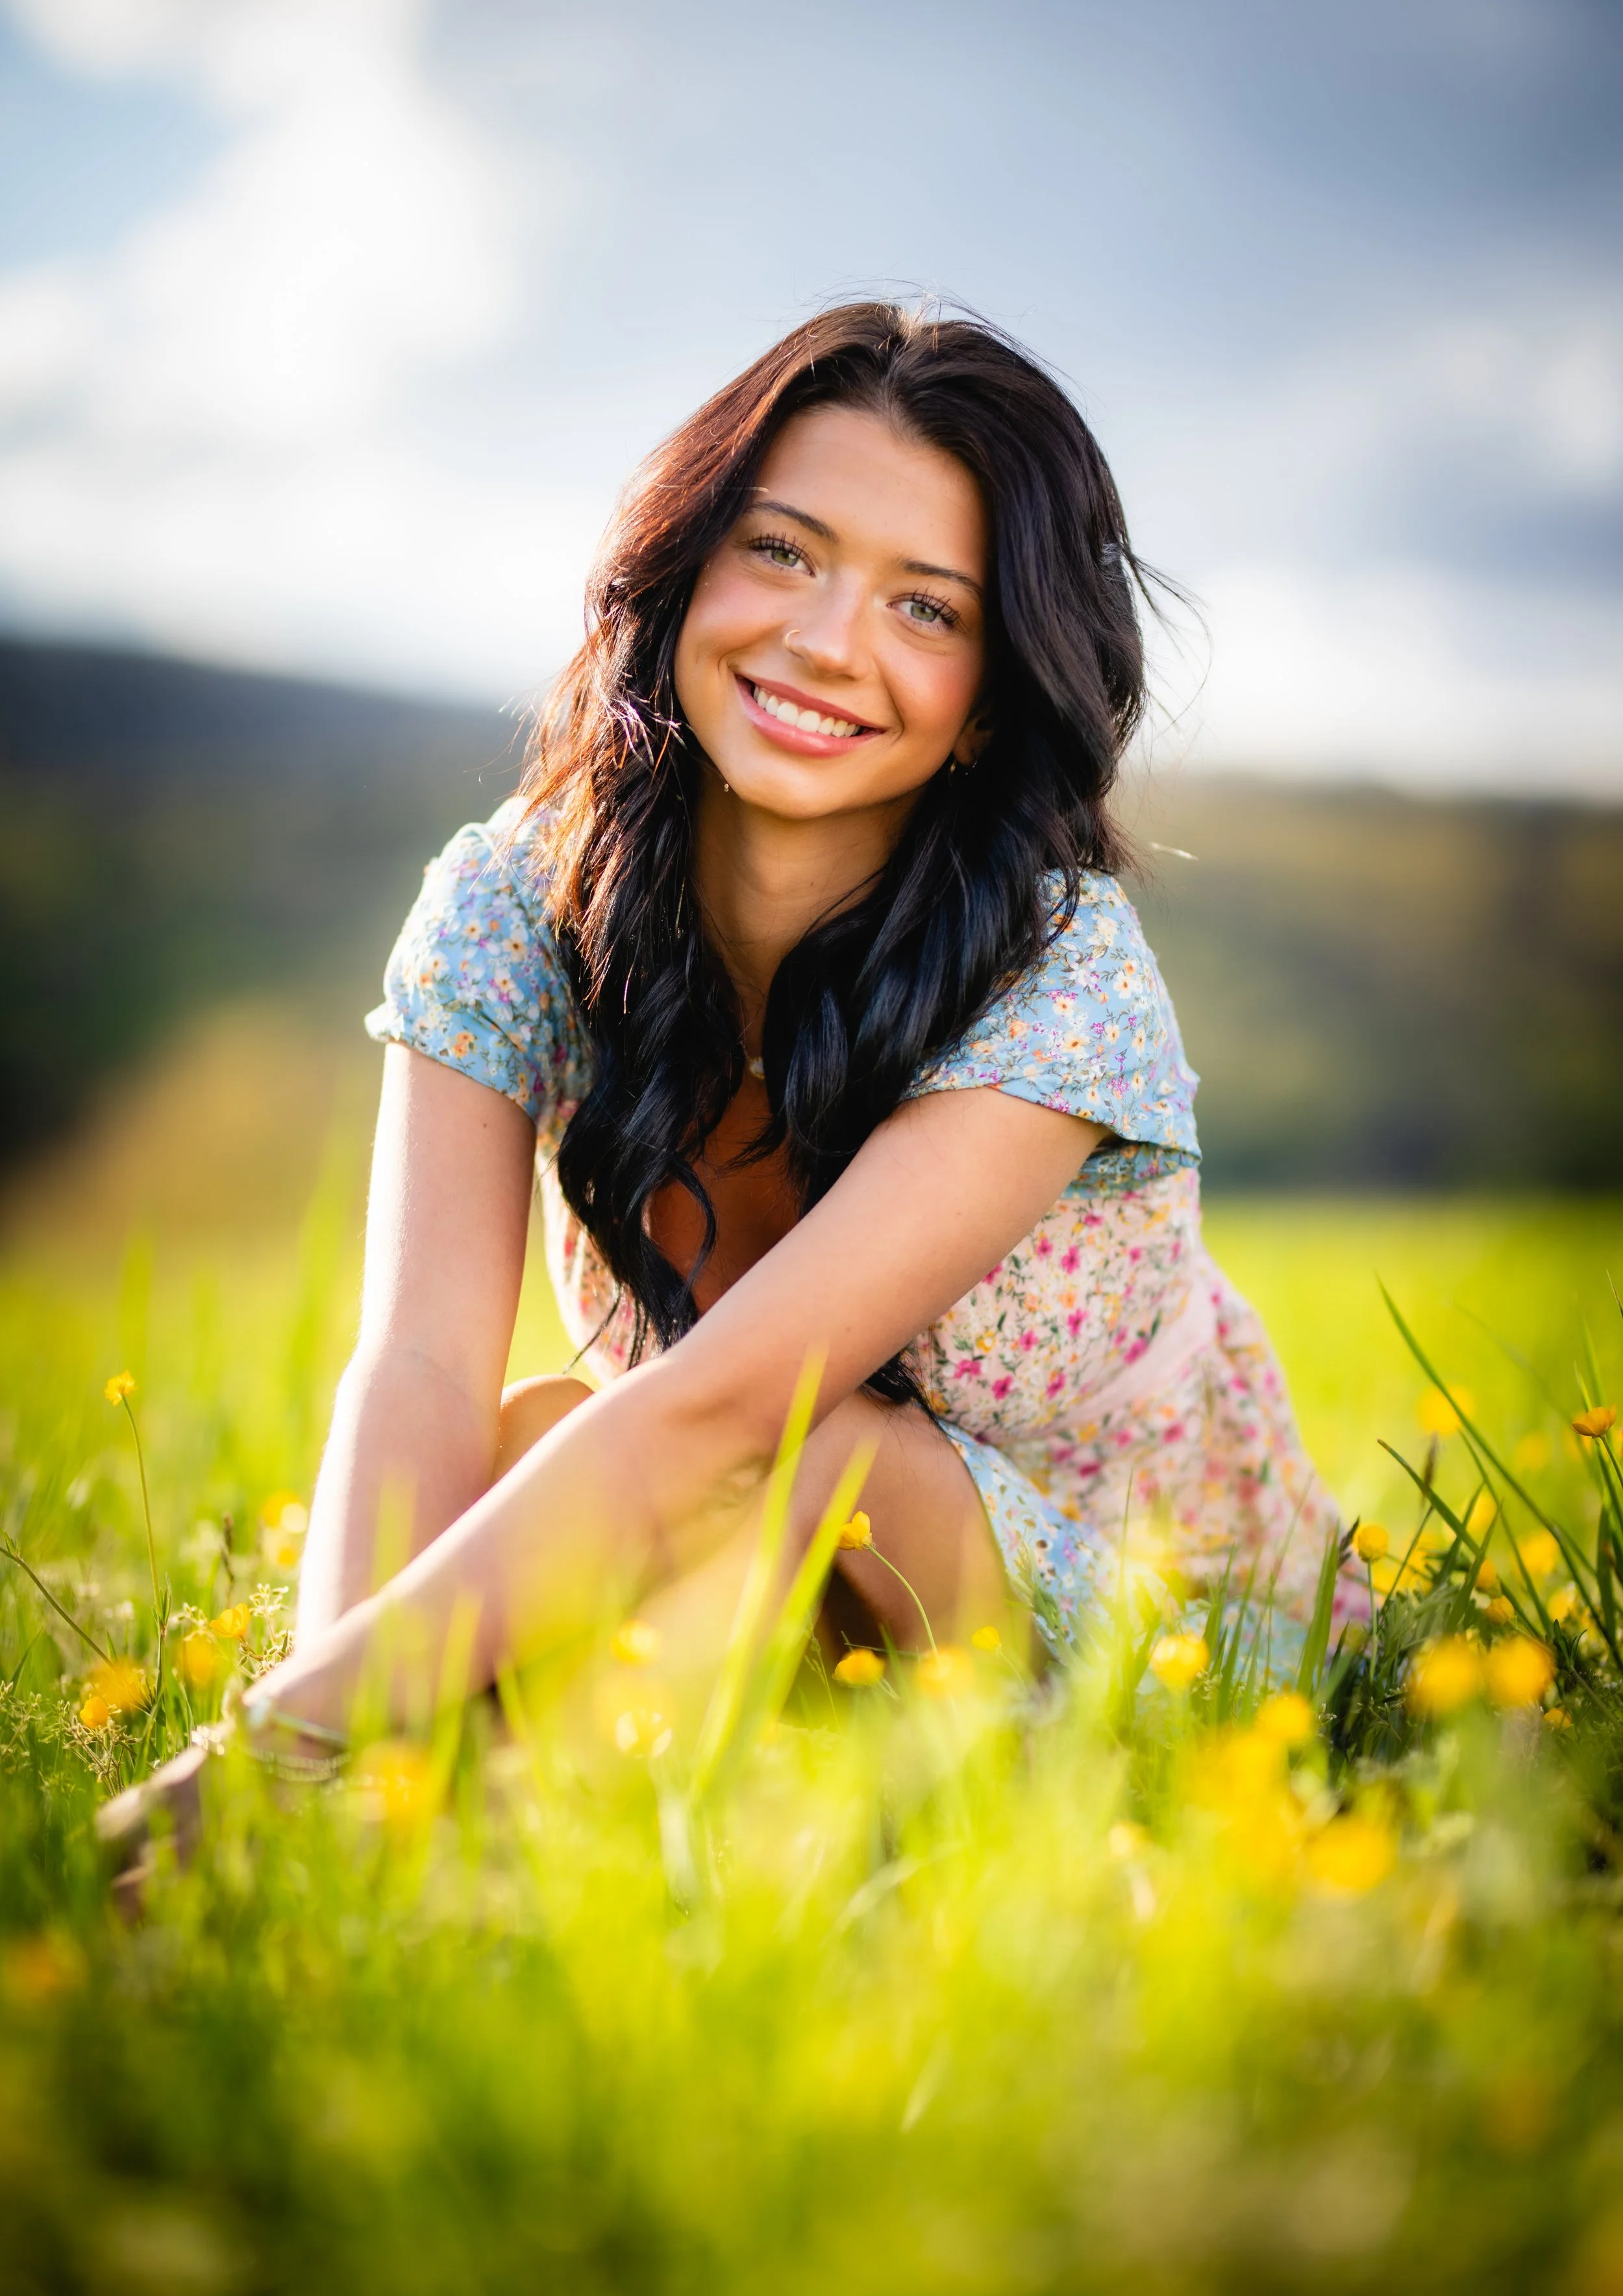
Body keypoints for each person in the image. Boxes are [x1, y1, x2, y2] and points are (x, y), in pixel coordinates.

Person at [109, 301, 1357, 1818]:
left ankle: (444, 1804)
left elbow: (733, 1418)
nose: (825, 641)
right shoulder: (517, 905)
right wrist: (316, 1767)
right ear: (685, 561)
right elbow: (421, 1360)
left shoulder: (1057, 973)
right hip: (750, 1581)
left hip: (1149, 1648)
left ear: (986, 704)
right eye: (782, 550)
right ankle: (420, 1827)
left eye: (927, 609)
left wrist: (262, 1761)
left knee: (801, 1444)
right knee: (535, 1432)